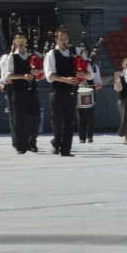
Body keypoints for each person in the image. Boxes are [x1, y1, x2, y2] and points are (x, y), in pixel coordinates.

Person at [44, 27, 90, 157]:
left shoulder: (77, 52)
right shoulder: (51, 54)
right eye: (61, 38)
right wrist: (66, 80)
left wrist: (83, 74)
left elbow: (90, 72)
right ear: (56, 39)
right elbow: (50, 75)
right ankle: (57, 142)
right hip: (56, 91)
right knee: (57, 119)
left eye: (66, 38)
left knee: (69, 121)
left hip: (71, 91)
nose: (64, 41)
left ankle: (66, 149)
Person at [0, 33, 43, 154]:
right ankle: (21, 146)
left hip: (32, 91)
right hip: (18, 91)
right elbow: (8, 76)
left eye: (23, 40)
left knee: (36, 117)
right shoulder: (11, 58)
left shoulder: (34, 55)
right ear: (15, 42)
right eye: (18, 40)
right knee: (18, 120)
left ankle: (31, 140)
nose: (21, 42)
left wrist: (38, 71)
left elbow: (47, 66)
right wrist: (22, 77)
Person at [76, 46, 98, 144]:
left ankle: (90, 136)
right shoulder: (75, 63)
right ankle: (82, 137)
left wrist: (97, 84)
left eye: (85, 52)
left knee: (90, 116)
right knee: (81, 117)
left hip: (89, 92)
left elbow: (97, 80)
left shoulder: (93, 66)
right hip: (78, 91)